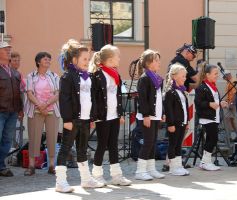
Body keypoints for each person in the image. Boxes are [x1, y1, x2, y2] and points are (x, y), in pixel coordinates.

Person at [55, 39, 102, 193]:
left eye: (88, 59)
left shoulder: (87, 76)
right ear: (74, 60)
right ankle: (60, 182)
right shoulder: (68, 77)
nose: (87, 62)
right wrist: (67, 119)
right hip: (73, 119)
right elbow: (65, 100)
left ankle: (86, 179)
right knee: (65, 148)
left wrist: (92, 118)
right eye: (84, 59)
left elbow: (91, 98)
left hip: (85, 119)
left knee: (82, 149)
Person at [89, 44, 132, 186]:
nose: (119, 59)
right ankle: (97, 174)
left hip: (114, 115)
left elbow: (118, 95)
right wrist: (93, 117)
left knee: (114, 144)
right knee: (102, 144)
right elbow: (93, 97)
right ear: (110, 59)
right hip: (103, 115)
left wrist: (120, 114)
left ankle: (116, 175)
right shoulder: (97, 75)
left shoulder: (115, 74)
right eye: (117, 56)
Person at [24, 52, 60, 176]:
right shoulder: (30, 76)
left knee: (52, 138)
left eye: (49, 59)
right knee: (34, 138)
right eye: (45, 59)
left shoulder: (55, 76)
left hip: (52, 110)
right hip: (35, 111)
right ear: (38, 62)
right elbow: (29, 93)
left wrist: (46, 104)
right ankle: (31, 166)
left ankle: (51, 165)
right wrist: (40, 105)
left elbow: (57, 94)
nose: (48, 61)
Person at [135, 49, 165, 181]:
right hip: (147, 116)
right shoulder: (145, 78)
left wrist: (162, 113)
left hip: (155, 115)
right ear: (148, 63)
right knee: (147, 143)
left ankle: (151, 169)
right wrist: (146, 115)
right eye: (156, 60)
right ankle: (140, 171)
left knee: (153, 142)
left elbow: (159, 98)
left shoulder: (157, 78)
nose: (159, 63)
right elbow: (142, 99)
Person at [195, 64, 228, 171]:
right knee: (212, 138)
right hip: (207, 117)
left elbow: (215, 101)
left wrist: (221, 103)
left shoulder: (213, 86)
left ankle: (206, 161)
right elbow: (198, 102)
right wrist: (210, 104)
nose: (217, 75)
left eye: (217, 73)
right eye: (215, 73)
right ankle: (205, 162)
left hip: (214, 116)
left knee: (212, 138)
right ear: (207, 75)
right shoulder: (202, 87)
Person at [0, 41, 23, 177]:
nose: (9, 51)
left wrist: (20, 109)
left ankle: (1, 166)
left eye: (9, 49)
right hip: (0, 111)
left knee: (7, 141)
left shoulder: (15, 73)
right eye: (5, 49)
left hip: (12, 112)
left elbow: (18, 92)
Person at [164, 63, 190, 176]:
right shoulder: (170, 92)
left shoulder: (182, 91)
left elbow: (185, 108)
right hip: (174, 124)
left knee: (179, 144)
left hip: (182, 122)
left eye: (185, 76)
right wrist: (170, 124)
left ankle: (178, 165)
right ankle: (173, 167)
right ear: (174, 77)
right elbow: (168, 110)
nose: (185, 79)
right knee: (173, 144)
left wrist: (187, 121)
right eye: (183, 76)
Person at [10, 51, 26, 149]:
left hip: (16, 107)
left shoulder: (19, 74)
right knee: (11, 131)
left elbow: (21, 92)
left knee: (16, 131)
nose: (17, 62)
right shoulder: (8, 73)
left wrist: (21, 109)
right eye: (14, 60)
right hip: (10, 107)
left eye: (18, 61)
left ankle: (14, 151)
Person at [223, 71, 237, 139]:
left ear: (228, 75)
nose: (224, 78)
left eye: (224, 77)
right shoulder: (229, 82)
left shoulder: (232, 82)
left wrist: (231, 103)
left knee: (228, 119)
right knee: (231, 120)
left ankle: (232, 136)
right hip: (230, 103)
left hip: (232, 103)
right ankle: (235, 135)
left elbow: (235, 93)